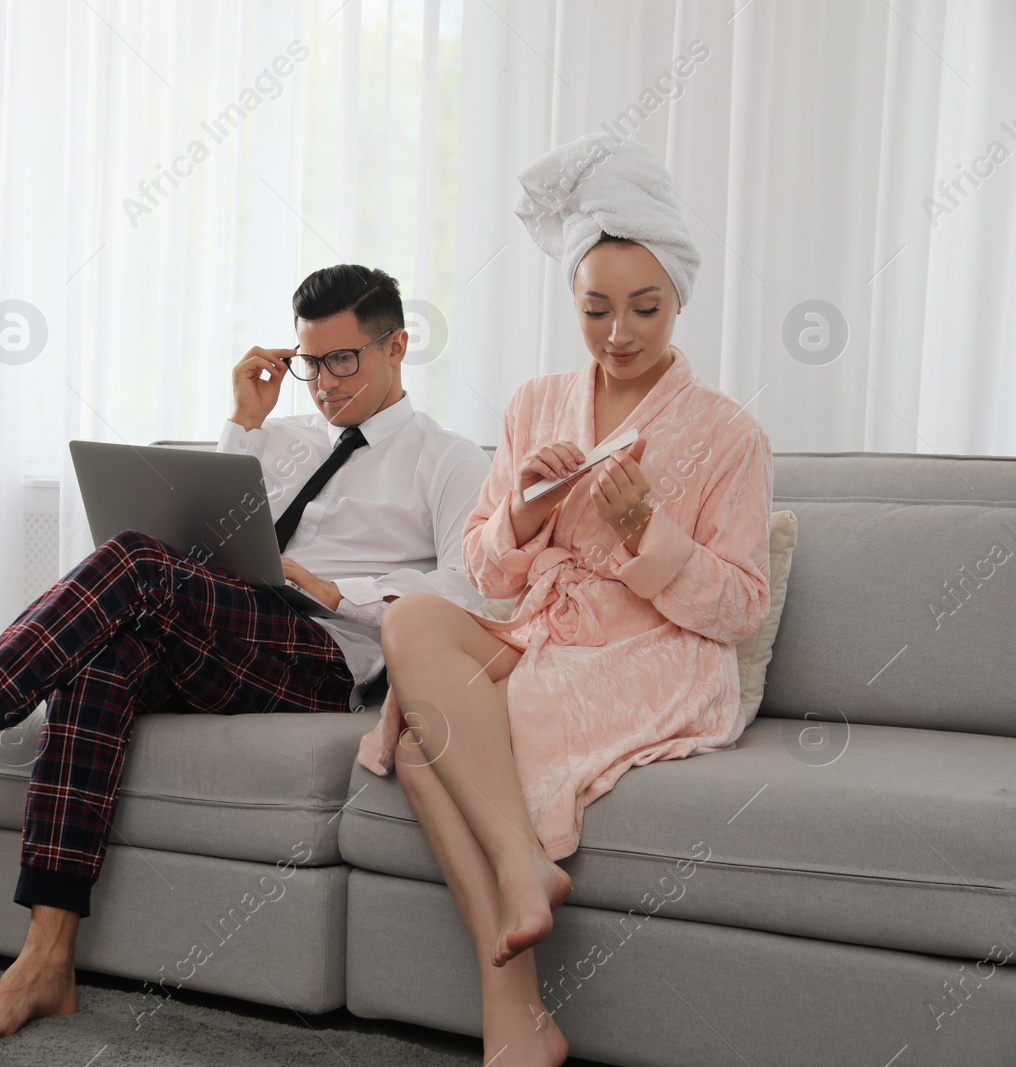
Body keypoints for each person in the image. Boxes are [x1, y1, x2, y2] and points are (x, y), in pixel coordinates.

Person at [0, 264, 496, 1042]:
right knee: (104, 657)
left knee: (136, 561)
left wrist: (336, 588)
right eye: (310, 362)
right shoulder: (279, 439)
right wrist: (243, 422)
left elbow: (467, 598)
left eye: (343, 360)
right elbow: (204, 538)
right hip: (225, 626)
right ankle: (47, 956)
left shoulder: (448, 460)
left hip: (324, 656)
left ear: (399, 346)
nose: (323, 383)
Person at [361, 133, 774, 1066]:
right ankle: (524, 866)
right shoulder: (536, 402)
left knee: (429, 740)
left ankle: (516, 1019)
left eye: (644, 308)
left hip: (656, 650)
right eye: (596, 309)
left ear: (680, 300)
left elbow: (741, 607)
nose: (619, 333)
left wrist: (647, 539)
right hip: (542, 626)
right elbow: (484, 568)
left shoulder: (730, 434)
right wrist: (524, 512)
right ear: (572, 301)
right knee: (413, 618)